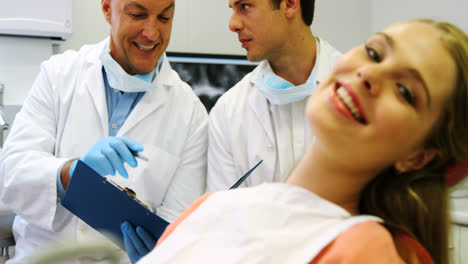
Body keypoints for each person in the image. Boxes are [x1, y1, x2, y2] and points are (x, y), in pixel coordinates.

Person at [130, 19, 468, 264]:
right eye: (375, 53)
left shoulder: (363, 249)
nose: (369, 74)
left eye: (405, 91)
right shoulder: (209, 208)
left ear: (418, 157)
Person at [0, 0, 208, 263]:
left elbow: (178, 228)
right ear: (108, 8)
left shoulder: (191, 115)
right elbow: (10, 174)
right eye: (137, 14)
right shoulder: (58, 75)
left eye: (164, 18)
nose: (152, 33)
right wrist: (69, 174)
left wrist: (158, 253)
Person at [206, 0, 342, 191]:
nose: (232, 24)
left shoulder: (359, 90)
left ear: (290, 4)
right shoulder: (227, 113)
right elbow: (224, 213)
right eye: (232, 9)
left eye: (244, 6)